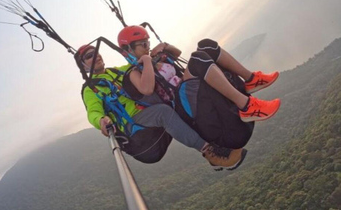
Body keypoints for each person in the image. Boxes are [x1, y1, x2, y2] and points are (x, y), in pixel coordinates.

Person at [76, 44, 247, 170]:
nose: (96, 56)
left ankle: (214, 133)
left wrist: (159, 50)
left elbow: (140, 64)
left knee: (170, 94)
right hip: (132, 123)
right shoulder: (90, 89)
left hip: (146, 109)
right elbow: (93, 111)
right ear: (83, 66)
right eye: (90, 56)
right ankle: (209, 151)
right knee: (163, 112)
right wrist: (101, 121)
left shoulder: (117, 71)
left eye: (96, 52)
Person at [117, 25, 281, 148]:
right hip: (182, 106)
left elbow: (177, 53)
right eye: (142, 44)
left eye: (147, 42)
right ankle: (246, 106)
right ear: (128, 50)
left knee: (206, 45)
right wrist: (146, 61)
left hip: (186, 92)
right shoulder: (133, 73)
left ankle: (251, 79)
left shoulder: (156, 58)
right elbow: (146, 89)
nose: (147, 47)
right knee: (197, 60)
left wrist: (165, 46)